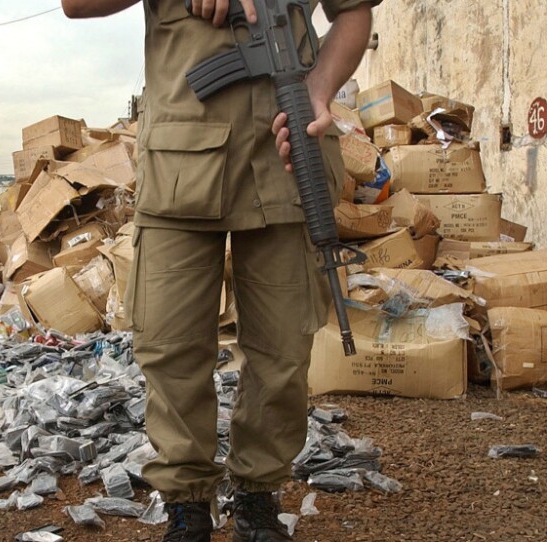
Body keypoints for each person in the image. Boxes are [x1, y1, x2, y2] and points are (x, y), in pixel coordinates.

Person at [63, 1, 378, 541]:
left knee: (283, 347)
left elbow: (353, 12)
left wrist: (319, 89)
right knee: (170, 344)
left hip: (287, 155)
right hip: (178, 162)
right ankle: (187, 505)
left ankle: (257, 498)